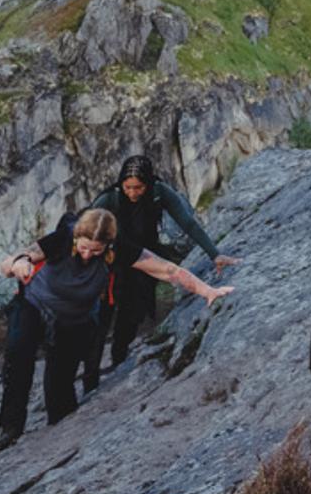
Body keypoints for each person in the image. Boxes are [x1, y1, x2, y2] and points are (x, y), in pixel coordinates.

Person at [0, 208, 232, 452]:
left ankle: (55, 440)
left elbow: (168, 270)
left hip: (74, 318)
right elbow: (9, 263)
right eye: (83, 247)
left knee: (60, 386)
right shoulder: (63, 237)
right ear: (76, 237)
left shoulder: (120, 249)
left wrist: (208, 291)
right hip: (34, 305)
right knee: (18, 359)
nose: (87, 255)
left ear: (108, 245)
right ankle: (8, 434)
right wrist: (19, 263)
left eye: (96, 251)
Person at [77, 152, 236, 391]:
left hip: (143, 259)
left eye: (138, 187)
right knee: (101, 319)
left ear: (148, 183)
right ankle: (90, 379)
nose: (133, 193)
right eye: (128, 187)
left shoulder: (159, 192)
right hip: (110, 262)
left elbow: (187, 222)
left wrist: (215, 253)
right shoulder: (110, 199)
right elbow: (85, 228)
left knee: (132, 315)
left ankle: (119, 358)